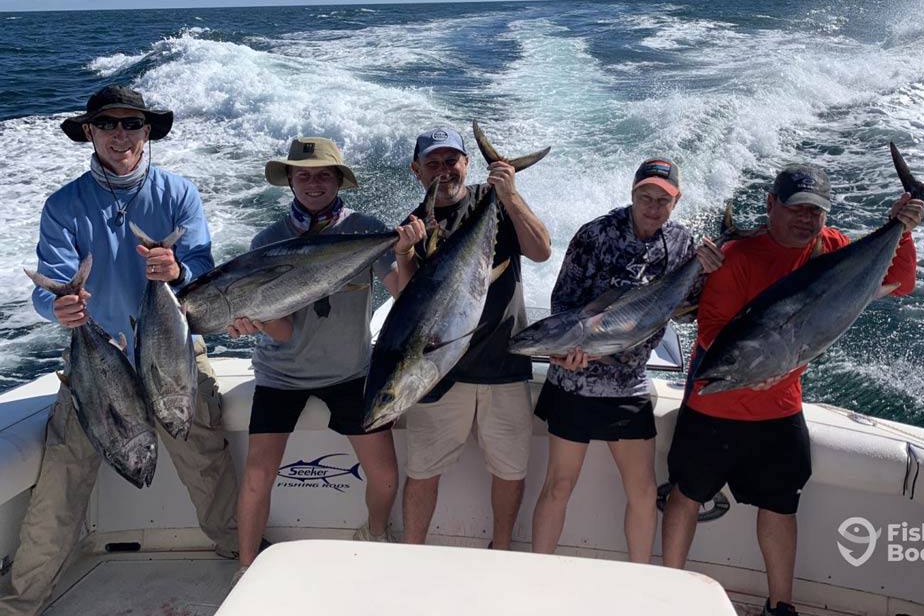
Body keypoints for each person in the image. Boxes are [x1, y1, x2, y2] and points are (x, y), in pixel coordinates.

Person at [0, 85, 238, 616]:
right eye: (107, 124)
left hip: (172, 352)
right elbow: (50, 287)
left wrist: (177, 271)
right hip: (96, 359)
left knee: (205, 462)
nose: (120, 135)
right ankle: (19, 604)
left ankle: (241, 554)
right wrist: (56, 306)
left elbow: (203, 268)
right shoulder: (63, 206)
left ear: (147, 131)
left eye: (132, 124)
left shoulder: (178, 194)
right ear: (89, 131)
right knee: (63, 480)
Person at [662, 163, 924, 616]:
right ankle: (668, 594)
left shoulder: (832, 247)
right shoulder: (739, 255)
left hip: (779, 412)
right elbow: (712, 333)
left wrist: (901, 228)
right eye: (796, 208)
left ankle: (781, 606)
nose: (806, 219)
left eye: (816, 211)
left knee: (781, 507)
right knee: (686, 495)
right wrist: (763, 369)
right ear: (771, 205)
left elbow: (900, 284)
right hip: (714, 409)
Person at [228, 137, 416, 583]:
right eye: (304, 175)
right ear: (290, 181)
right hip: (281, 374)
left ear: (338, 181)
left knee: (386, 475)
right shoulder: (268, 240)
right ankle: (245, 566)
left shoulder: (366, 229)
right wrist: (256, 319)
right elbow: (284, 330)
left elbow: (404, 296)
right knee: (257, 475)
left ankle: (374, 535)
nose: (314, 183)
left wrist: (406, 250)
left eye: (323, 175)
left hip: (351, 372)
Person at [530, 158, 722, 563]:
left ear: (676, 202)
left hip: (629, 384)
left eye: (662, 200)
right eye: (644, 197)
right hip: (575, 384)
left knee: (642, 490)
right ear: (632, 194)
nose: (652, 207)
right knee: (559, 486)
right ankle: (538, 574)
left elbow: (687, 309)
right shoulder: (595, 235)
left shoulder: (684, 245)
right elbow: (563, 303)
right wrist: (562, 355)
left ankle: (640, 579)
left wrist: (706, 273)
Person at [394, 126, 550, 549]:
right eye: (433, 163)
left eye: (452, 161)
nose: (444, 171)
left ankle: (500, 549)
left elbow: (541, 251)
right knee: (423, 471)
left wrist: (512, 194)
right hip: (440, 372)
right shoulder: (414, 223)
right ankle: (412, 554)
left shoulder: (495, 201)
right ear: (416, 169)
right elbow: (408, 300)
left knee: (510, 471)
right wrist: (404, 252)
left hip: (505, 363)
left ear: (467, 163)